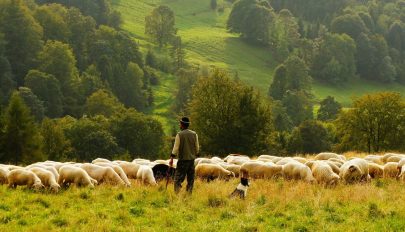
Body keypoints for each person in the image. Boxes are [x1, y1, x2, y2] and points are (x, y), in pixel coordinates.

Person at [170, 117, 199, 194]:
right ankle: (188, 195)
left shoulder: (179, 135)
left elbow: (175, 148)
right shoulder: (194, 134)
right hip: (191, 161)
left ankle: (177, 195)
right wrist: (195, 154)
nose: (179, 125)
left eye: (180, 123)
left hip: (182, 161)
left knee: (177, 179)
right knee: (190, 179)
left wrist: (172, 158)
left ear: (182, 125)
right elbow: (197, 147)